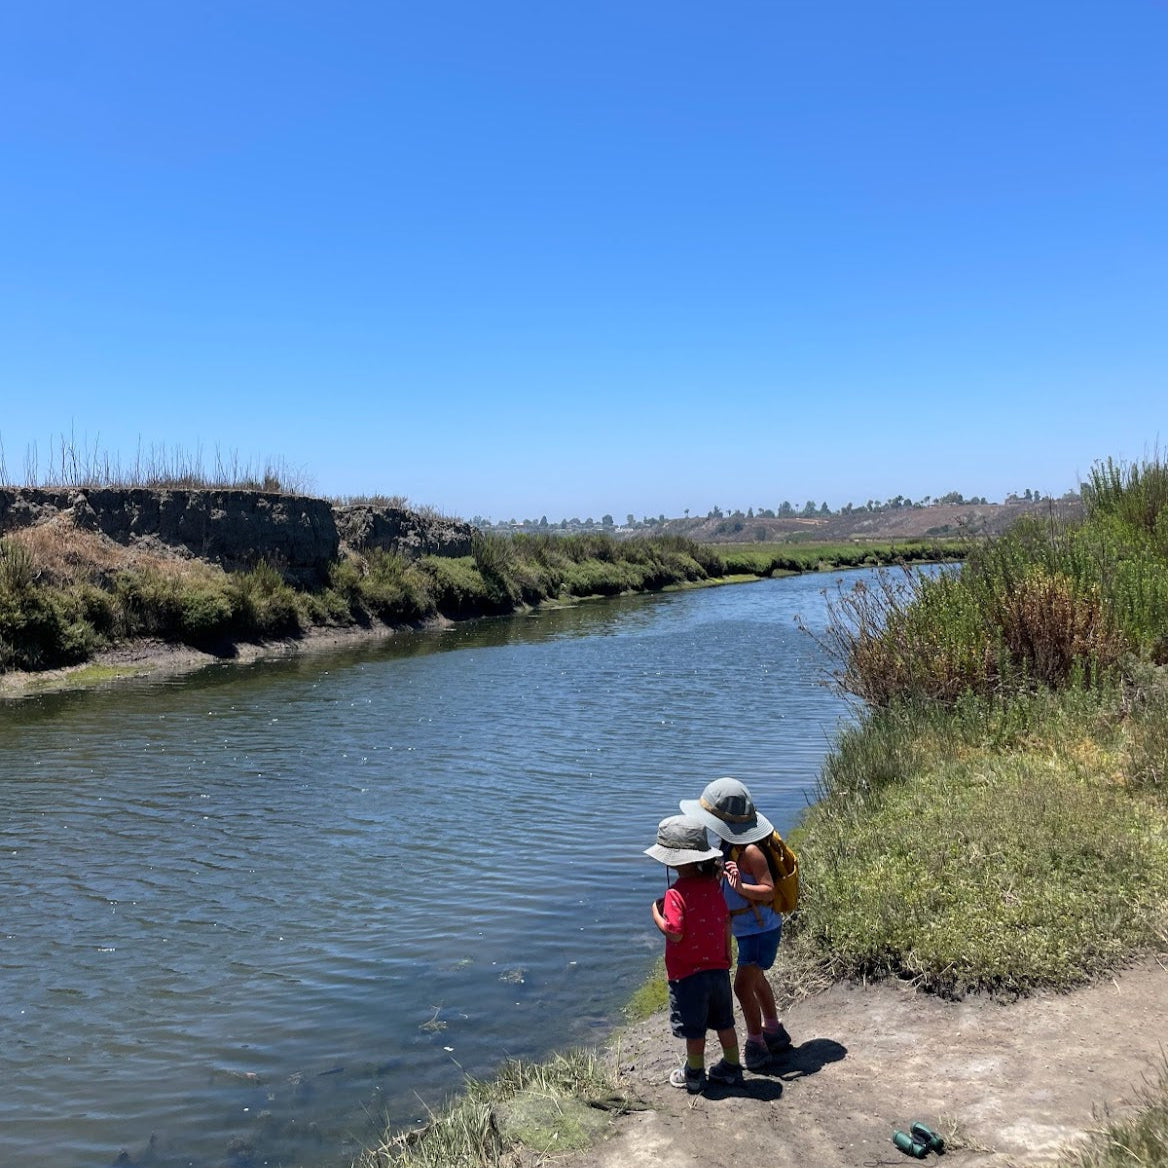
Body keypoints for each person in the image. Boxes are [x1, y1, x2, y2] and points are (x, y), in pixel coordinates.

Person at [681, 777, 792, 1073]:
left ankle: (756, 1043)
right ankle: (773, 1030)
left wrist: (741, 888)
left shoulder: (751, 852)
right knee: (756, 982)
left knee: (743, 988)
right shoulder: (731, 847)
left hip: (760, 931)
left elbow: (768, 890)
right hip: (749, 930)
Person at [644, 814, 744, 1094]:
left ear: (671, 860)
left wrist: (655, 913)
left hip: (688, 975)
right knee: (725, 1022)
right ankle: (733, 1066)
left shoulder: (675, 895)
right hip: (718, 970)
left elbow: (674, 932)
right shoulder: (714, 887)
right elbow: (726, 921)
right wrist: (727, 956)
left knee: (694, 1030)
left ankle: (695, 1073)